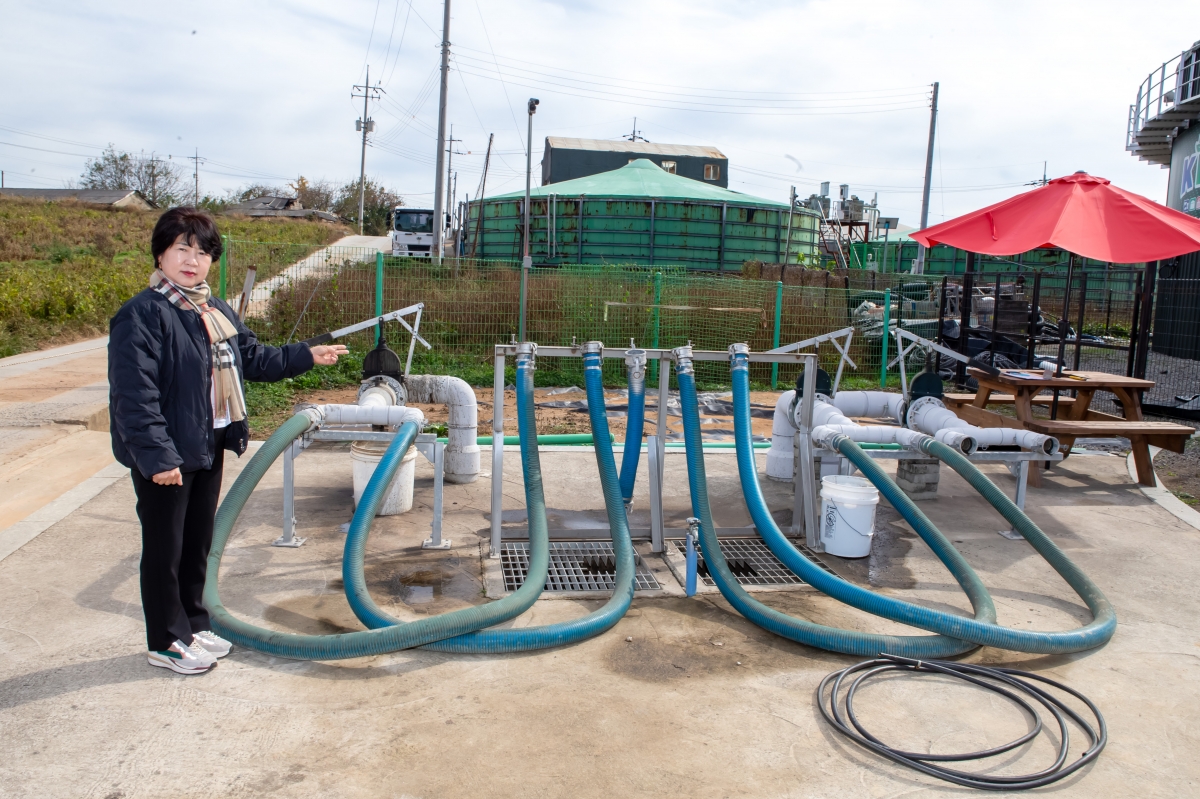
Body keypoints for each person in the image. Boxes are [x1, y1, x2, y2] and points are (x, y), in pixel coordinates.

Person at [108, 207, 347, 675]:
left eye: (201, 251)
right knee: (165, 549)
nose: (192, 259)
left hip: (207, 444)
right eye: (182, 248)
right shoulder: (142, 315)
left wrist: (306, 355)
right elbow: (135, 396)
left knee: (196, 542)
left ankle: (193, 624)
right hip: (168, 454)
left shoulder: (212, 309)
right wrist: (156, 457)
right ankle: (165, 641)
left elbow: (253, 359)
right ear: (161, 253)